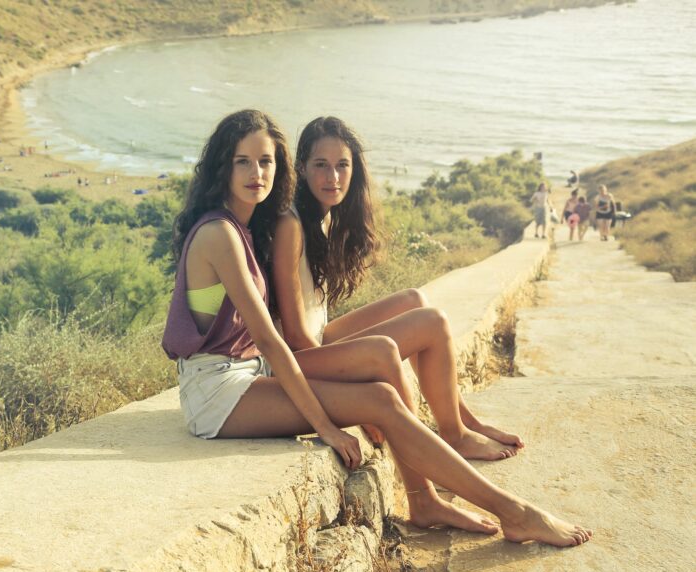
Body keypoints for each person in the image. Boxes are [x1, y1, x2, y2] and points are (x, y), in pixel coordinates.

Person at [161, 109, 591, 546]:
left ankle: (434, 495)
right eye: (243, 161)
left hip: (244, 376)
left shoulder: (244, 228)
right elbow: (272, 340)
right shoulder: (220, 234)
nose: (257, 172)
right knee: (381, 384)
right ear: (222, 166)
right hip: (216, 393)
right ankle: (511, 511)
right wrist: (325, 427)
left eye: (266, 161)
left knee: (383, 395)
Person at [272, 116, 522, 463]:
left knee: (414, 300)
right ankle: (452, 436)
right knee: (430, 322)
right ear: (301, 168)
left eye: (342, 165)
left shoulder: (324, 217)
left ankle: (463, 420)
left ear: (354, 169)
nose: (333, 178)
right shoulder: (291, 225)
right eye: (321, 165)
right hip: (296, 358)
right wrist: (352, 383)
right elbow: (296, 336)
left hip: (317, 342)